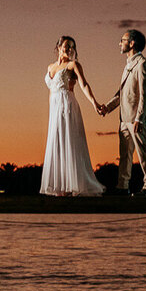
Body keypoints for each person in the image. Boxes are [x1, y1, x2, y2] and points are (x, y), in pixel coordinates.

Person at [39, 36, 105, 196]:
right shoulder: (50, 67)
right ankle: (60, 186)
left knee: (69, 141)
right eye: (67, 46)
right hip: (54, 108)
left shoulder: (73, 65)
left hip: (67, 105)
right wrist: (50, 112)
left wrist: (95, 103)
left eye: (72, 47)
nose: (69, 50)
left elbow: (84, 84)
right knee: (56, 142)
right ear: (59, 47)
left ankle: (74, 185)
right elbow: (51, 91)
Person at [96, 29, 146, 195]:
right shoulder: (128, 65)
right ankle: (122, 186)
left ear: (132, 43)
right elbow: (122, 93)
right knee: (125, 155)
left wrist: (140, 119)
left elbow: (145, 94)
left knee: (143, 152)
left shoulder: (143, 64)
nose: (119, 43)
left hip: (137, 119)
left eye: (122, 40)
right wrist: (107, 107)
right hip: (124, 118)